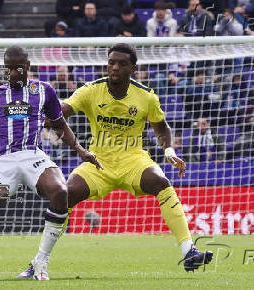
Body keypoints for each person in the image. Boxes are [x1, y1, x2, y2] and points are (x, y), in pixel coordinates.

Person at [19, 43, 213, 275]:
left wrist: (168, 151)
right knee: (65, 194)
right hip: (98, 163)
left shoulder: (146, 96)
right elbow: (63, 111)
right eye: (111, 62)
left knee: (161, 183)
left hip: (133, 161)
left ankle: (188, 251)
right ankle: (38, 262)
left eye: (122, 63)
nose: (115, 67)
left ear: (132, 67)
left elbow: (161, 127)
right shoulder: (91, 90)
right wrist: (39, 112)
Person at [0, 46, 102, 281]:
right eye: (8, 69)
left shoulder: (44, 90)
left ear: (27, 66)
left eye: (18, 68)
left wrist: (79, 150)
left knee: (60, 191)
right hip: (2, 159)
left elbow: (60, 124)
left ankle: (41, 262)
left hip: (32, 156)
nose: (13, 74)